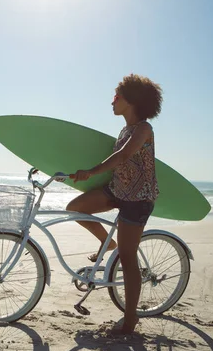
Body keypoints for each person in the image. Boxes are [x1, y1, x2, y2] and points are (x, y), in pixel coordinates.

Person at [67, 73, 162, 334]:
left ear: (130, 100)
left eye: (116, 97)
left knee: (128, 258)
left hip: (139, 198)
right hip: (118, 191)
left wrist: (91, 171)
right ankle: (107, 243)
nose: (112, 101)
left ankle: (130, 319)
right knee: (75, 208)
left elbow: (123, 156)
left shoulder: (144, 129)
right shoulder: (124, 129)